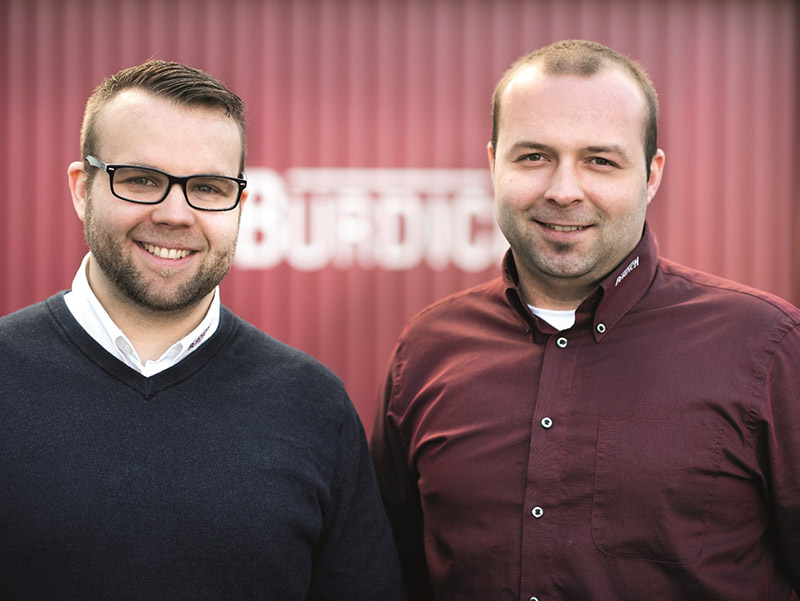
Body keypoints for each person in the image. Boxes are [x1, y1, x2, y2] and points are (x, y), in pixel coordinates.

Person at [370, 39, 800, 601]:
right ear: (492, 164)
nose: (563, 191)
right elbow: (389, 574)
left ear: (650, 174)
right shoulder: (426, 351)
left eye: (600, 160)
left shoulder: (767, 348)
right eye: (533, 157)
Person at [0, 60, 404, 601]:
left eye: (207, 187)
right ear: (82, 188)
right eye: (141, 180)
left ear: (239, 201)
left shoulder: (313, 406)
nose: (175, 213)